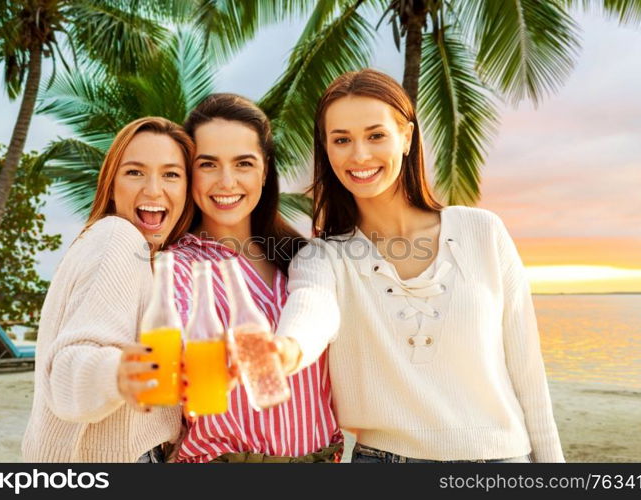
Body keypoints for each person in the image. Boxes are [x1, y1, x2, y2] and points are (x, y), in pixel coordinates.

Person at [275, 69, 565, 463]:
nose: (359, 155)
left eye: (375, 135)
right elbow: (312, 309)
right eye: (341, 140)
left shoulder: (482, 231)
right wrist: (286, 349)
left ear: (407, 137)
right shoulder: (323, 257)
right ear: (326, 149)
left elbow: (528, 372)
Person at [169, 93, 343, 463]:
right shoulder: (179, 266)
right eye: (208, 164)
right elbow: (183, 337)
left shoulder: (301, 257)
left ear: (264, 171)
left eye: (243, 163)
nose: (227, 181)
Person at [21, 117, 195, 462]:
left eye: (171, 174)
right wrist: (118, 372)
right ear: (111, 183)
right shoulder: (118, 237)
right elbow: (70, 366)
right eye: (134, 172)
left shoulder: (139, 255)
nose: (153, 190)